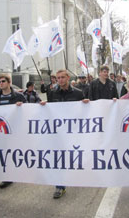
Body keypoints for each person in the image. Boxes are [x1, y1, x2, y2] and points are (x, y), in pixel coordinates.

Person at [40, 69, 89, 199]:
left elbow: (85, 112)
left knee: (73, 156)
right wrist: (43, 106)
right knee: (58, 158)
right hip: (57, 132)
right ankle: (59, 186)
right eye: (58, 77)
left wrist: (86, 104)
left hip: (73, 132)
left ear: (68, 78)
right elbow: (49, 110)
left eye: (62, 77)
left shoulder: (78, 93)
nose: (60, 80)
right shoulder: (52, 93)